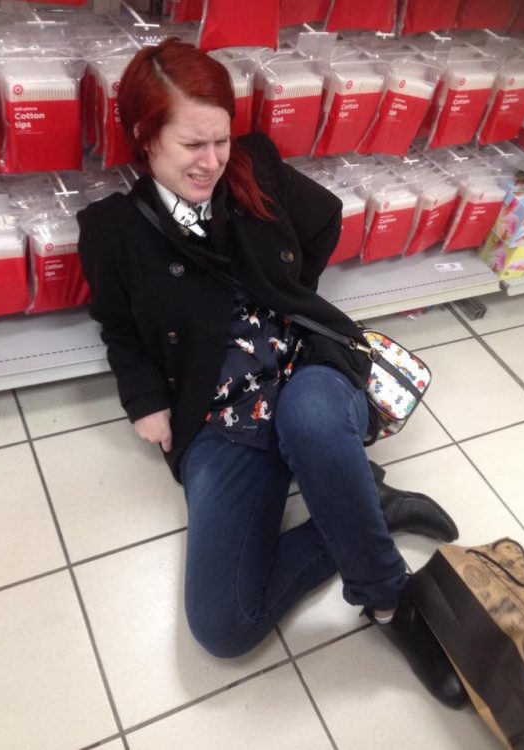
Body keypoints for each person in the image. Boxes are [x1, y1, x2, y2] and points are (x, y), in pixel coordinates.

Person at [77, 38, 467, 709]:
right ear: (145, 136)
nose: (211, 162)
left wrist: (292, 295)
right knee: (224, 628)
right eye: (190, 146)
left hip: (306, 367)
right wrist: (145, 400)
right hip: (219, 414)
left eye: (219, 141)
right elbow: (116, 326)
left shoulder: (253, 164)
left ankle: (388, 603)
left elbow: (324, 220)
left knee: (312, 420)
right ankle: (366, 506)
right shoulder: (112, 230)